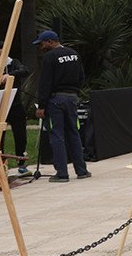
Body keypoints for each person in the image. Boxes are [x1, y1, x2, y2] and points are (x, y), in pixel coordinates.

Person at [32, 30, 90, 182]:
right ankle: (82, 170)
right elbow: (81, 76)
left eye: (42, 43)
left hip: (55, 99)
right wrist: (75, 92)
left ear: (50, 41)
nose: (41, 47)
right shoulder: (74, 53)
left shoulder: (49, 57)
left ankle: (62, 173)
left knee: (57, 135)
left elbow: (45, 82)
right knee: (73, 133)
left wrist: (42, 106)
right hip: (72, 98)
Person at [0, 41, 32, 173]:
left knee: (20, 133)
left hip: (15, 104)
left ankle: (22, 162)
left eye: (2, 54)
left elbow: (25, 70)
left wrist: (10, 75)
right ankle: (0, 163)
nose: (0, 57)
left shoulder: (13, 63)